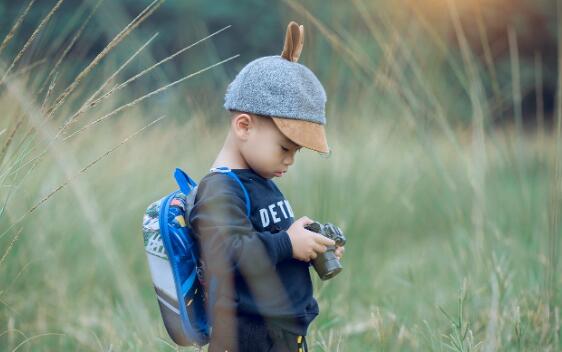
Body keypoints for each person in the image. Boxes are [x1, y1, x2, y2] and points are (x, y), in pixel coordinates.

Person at [188, 21, 345, 352]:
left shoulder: (260, 180)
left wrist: (308, 245)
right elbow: (228, 254)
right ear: (244, 126)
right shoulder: (220, 189)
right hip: (250, 336)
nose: (290, 160)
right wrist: (288, 243)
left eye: (296, 152)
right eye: (285, 148)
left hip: (282, 333)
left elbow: (266, 245)